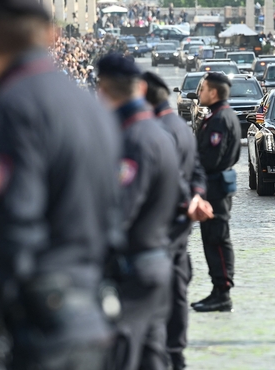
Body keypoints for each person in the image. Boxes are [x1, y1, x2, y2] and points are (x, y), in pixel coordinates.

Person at [0, 0, 122, 369]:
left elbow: (1, 229)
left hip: (28, 329)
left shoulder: (10, 110)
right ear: (52, 34)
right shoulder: (91, 109)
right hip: (89, 317)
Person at [97, 54, 181, 370]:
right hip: (157, 261)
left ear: (103, 90)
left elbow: (119, 213)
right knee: (151, 358)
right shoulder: (159, 133)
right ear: (141, 87)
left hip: (134, 269)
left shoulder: (134, 140)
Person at [141, 72, 211, 370]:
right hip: (181, 222)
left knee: (161, 296)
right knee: (178, 288)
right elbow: (196, 170)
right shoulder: (181, 127)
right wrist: (196, 197)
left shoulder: (153, 130)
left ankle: (165, 353)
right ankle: (176, 351)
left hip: (161, 222)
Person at [191, 72, 241, 313]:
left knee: (217, 239)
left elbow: (211, 157)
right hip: (216, 184)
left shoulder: (220, 118)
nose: (199, 93)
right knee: (213, 238)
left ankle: (222, 292)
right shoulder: (223, 115)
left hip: (215, 187)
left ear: (213, 92)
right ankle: (218, 289)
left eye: (203, 89)